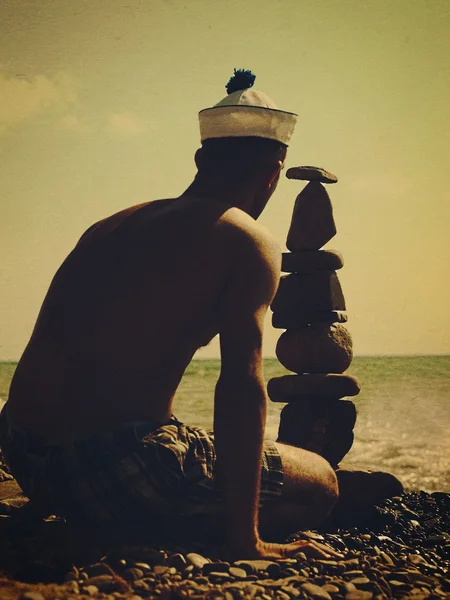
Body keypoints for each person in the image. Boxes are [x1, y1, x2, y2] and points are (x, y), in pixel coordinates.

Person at [0, 70, 340, 559]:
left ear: (201, 159)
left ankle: (117, 520)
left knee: (177, 433)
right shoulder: (245, 238)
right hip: (109, 472)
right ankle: (139, 531)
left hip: (26, 457)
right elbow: (242, 385)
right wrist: (247, 541)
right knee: (320, 482)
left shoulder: (111, 224)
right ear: (273, 174)